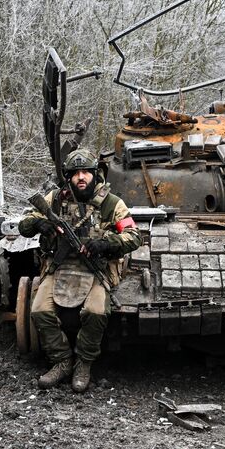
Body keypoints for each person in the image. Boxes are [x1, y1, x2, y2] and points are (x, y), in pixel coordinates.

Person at [17, 148, 139, 393]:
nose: (81, 177)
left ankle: (84, 362)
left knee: (96, 312)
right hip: (58, 267)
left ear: (95, 174)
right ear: (68, 176)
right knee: (39, 309)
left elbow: (134, 237)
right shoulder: (54, 199)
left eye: (86, 172)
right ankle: (62, 361)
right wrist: (40, 223)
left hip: (96, 270)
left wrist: (105, 243)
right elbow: (24, 225)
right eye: (75, 173)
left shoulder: (112, 204)